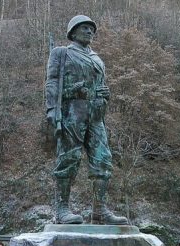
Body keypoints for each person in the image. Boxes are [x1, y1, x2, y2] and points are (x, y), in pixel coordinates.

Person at [45, 15, 127, 225]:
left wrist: (105, 93)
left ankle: (99, 210)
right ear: (73, 32)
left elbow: (100, 83)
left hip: (96, 113)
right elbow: (52, 83)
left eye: (92, 29)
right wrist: (53, 110)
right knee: (68, 159)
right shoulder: (62, 53)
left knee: (103, 160)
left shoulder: (97, 58)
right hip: (74, 110)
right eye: (85, 28)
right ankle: (62, 209)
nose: (90, 31)